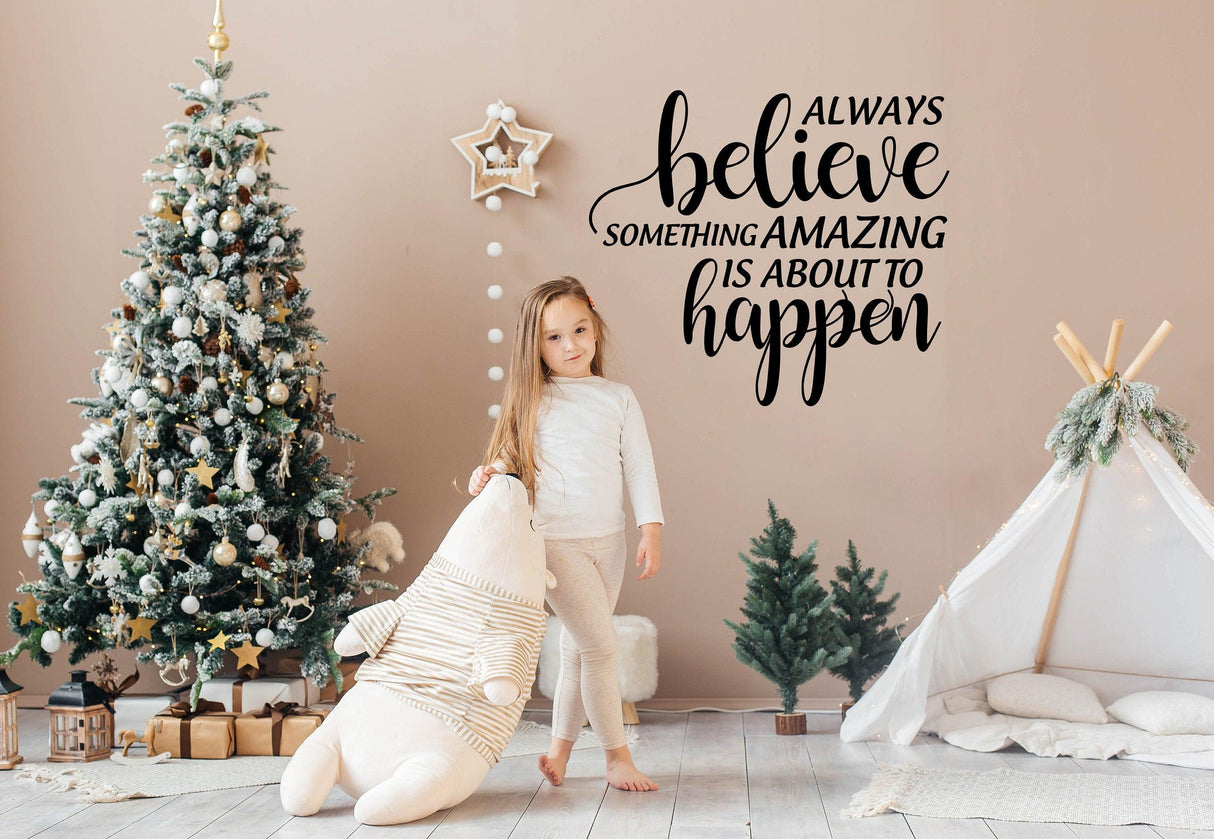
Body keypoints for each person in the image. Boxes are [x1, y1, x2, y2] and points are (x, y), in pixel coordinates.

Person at [468, 277, 663, 793]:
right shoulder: (534, 400)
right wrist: (485, 475)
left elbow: (640, 468)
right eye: (554, 337)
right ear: (534, 346)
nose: (571, 345)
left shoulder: (618, 398)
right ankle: (617, 757)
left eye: (579, 330)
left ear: (596, 327)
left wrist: (650, 529)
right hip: (556, 544)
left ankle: (559, 750)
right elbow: (506, 462)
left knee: (581, 649)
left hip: (610, 543)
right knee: (601, 647)